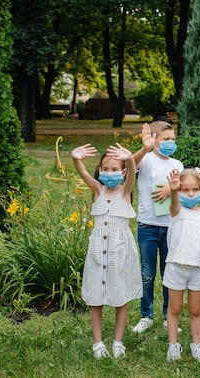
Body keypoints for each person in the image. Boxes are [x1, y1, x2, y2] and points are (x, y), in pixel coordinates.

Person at [71, 143, 143, 359]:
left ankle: (118, 342)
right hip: (98, 252)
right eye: (105, 169)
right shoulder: (97, 190)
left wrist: (129, 158)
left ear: (122, 172)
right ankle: (98, 343)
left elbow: (131, 173)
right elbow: (82, 171)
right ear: (100, 171)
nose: (109, 173)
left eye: (114, 169)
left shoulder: (125, 192)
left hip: (119, 254)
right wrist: (76, 159)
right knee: (96, 299)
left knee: (121, 299)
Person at [132, 121, 184, 333]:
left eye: (173, 139)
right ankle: (146, 315)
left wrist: (170, 190)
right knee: (147, 273)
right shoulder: (147, 160)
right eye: (165, 139)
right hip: (148, 225)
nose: (171, 143)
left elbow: (182, 190)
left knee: (168, 272)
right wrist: (144, 148)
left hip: (170, 225)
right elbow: (130, 164)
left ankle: (167, 316)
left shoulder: (178, 165)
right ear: (154, 140)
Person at [164, 168, 200, 362]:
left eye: (195, 189)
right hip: (176, 267)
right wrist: (174, 190)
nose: (191, 194)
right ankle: (173, 345)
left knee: (195, 309)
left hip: (199, 269)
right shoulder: (176, 210)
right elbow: (175, 201)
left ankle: (196, 344)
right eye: (186, 190)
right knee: (174, 308)